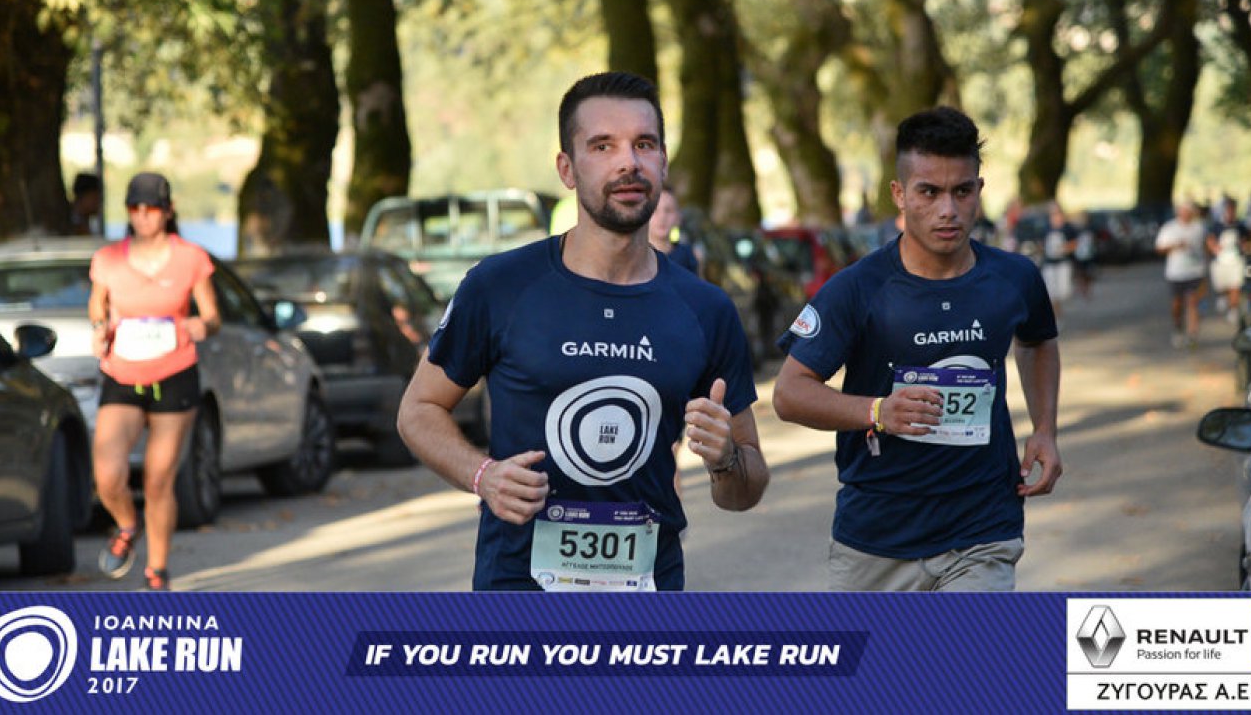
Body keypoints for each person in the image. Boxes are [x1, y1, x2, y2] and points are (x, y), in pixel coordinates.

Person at [396, 71, 769, 591]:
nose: (628, 162)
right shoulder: (500, 286)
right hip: (517, 593)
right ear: (567, 169)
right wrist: (483, 476)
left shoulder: (705, 309)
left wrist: (726, 459)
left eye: (644, 144)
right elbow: (418, 410)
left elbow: (744, 492)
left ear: (663, 162)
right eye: (602, 146)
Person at [772, 106, 1062, 591]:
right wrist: (878, 411)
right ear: (899, 194)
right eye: (929, 192)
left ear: (979, 191)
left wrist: (1045, 429)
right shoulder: (857, 288)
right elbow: (789, 393)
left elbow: (1038, 341)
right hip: (877, 539)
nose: (948, 209)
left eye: (962, 191)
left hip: (983, 528)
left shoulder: (1015, 278)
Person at [88, 172, 221, 591]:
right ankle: (128, 525)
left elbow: (213, 315)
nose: (143, 216)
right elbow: (97, 305)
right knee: (107, 475)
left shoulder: (191, 258)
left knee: (158, 478)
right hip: (122, 373)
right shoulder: (108, 259)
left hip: (174, 373)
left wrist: (202, 325)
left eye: (151, 208)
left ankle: (157, 572)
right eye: (135, 208)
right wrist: (99, 328)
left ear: (168, 210)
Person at [1154, 199, 1208, 349]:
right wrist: (1174, 246)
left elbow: (1206, 246)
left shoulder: (1199, 228)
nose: (1185, 214)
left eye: (1188, 211)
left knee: (1192, 302)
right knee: (1177, 304)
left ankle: (1192, 335)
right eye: (1183, 211)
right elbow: (1159, 248)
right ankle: (1178, 329)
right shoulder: (1169, 228)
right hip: (1176, 273)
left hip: (1195, 272)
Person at [1208, 196, 1251, 325]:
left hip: (1236, 261)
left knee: (1235, 286)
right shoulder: (1217, 225)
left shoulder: (1240, 226)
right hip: (1221, 262)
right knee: (1222, 285)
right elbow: (1210, 239)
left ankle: (1233, 310)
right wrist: (1215, 248)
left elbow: (1246, 241)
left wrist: (1243, 246)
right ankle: (1223, 297)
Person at [648, 184, 699, 274]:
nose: (662, 217)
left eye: (668, 210)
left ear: (678, 217)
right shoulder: (634, 255)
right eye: (655, 210)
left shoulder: (689, 256)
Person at [1040, 205, 1076, 318]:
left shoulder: (1068, 228)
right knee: (1051, 292)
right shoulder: (1046, 229)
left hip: (1063, 263)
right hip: (1049, 264)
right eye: (1053, 215)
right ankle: (1055, 315)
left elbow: (1075, 243)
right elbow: (1041, 244)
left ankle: (1058, 310)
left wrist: (1064, 248)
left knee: (1064, 292)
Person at [68, 171, 102, 235]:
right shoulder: (70, 225)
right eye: (95, 198)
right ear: (82, 196)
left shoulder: (84, 222)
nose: (98, 203)